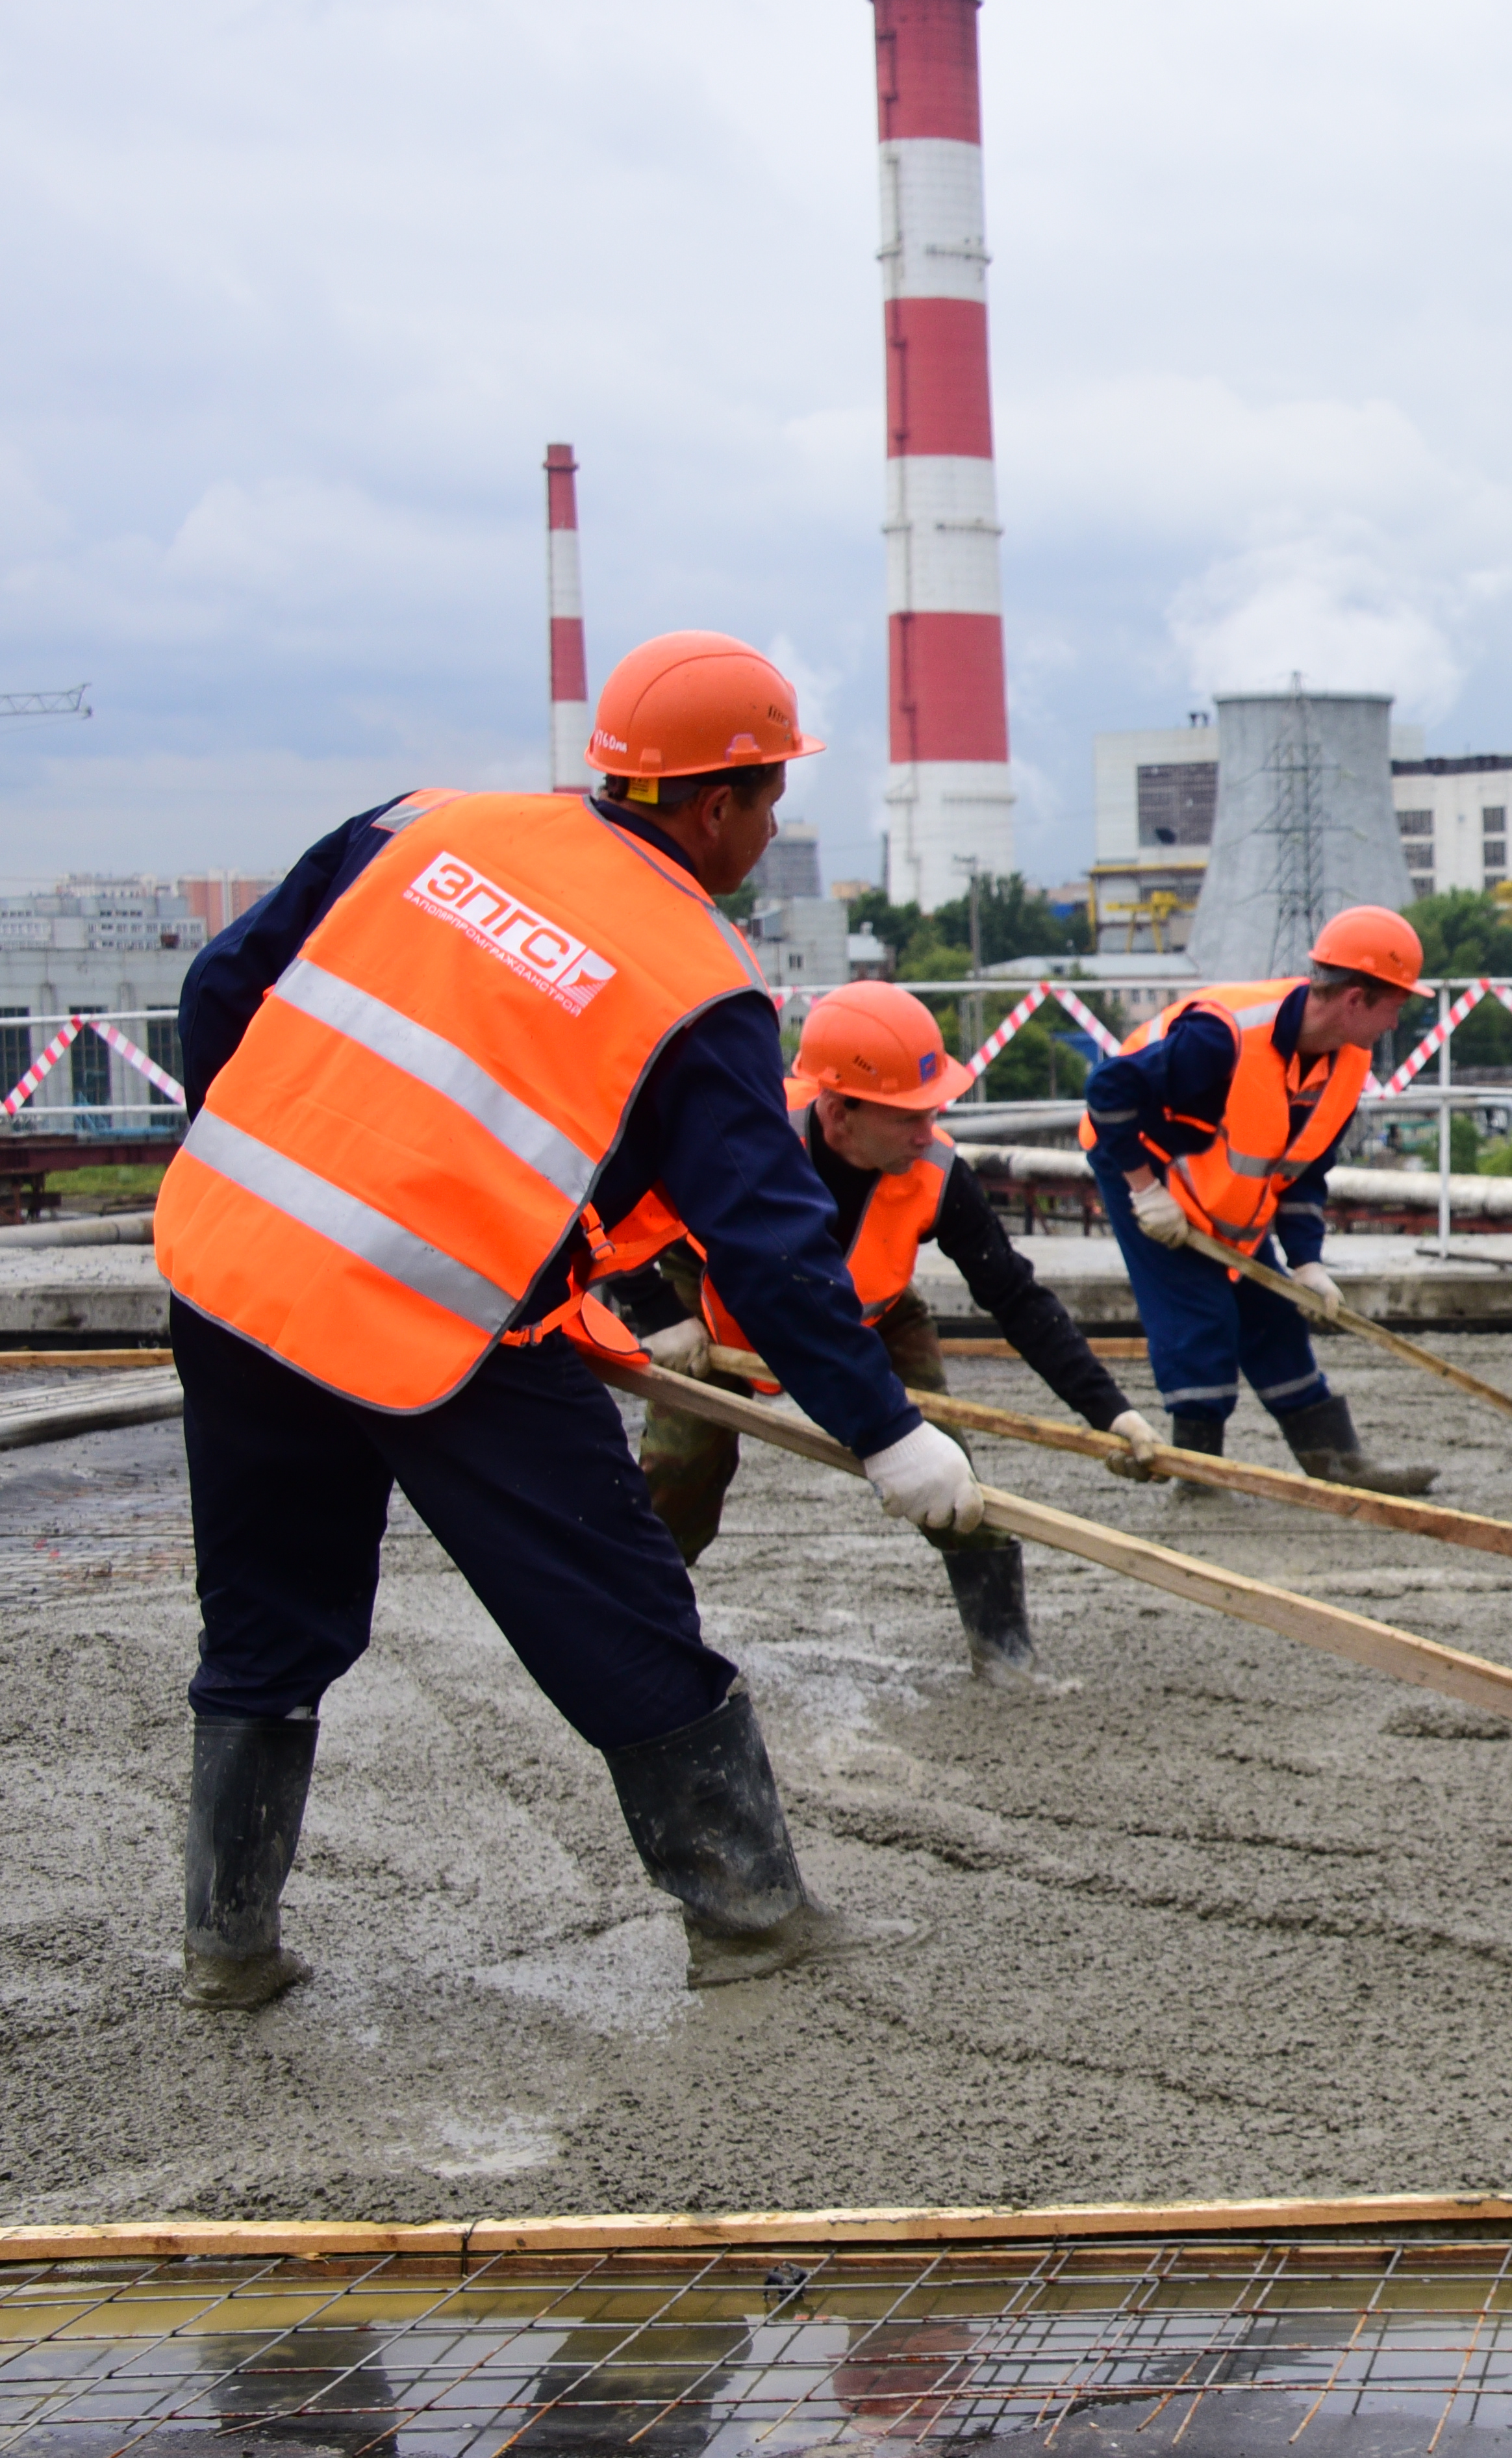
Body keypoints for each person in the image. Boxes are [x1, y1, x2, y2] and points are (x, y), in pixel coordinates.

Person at [155, 630, 987, 2005]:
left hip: (235, 1269)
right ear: (717, 803)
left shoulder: (416, 827)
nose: (770, 826)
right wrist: (890, 1437)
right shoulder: (693, 977)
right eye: (771, 801)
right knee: (616, 1598)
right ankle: (750, 1913)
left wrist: (260, 1174)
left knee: (263, 1618)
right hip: (443, 1322)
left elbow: (219, 992)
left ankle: (227, 1949)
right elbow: (771, 1248)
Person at [603, 979, 1160, 1679]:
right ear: (838, 1113)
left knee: (952, 1482)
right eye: (908, 1117)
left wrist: (1112, 1413)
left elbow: (1014, 1296)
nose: (930, 1134)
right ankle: (637, 1645)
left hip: (875, 1317)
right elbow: (608, 1196)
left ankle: (1005, 1656)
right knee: (681, 1473)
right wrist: (654, 1308)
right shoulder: (738, 1130)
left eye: (932, 1111)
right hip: (715, 1307)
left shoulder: (935, 1169)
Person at [1083, 905, 1437, 1496]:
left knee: (1272, 1316)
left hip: (1228, 1208)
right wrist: (1145, 1190)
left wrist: (1307, 1263)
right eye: (1394, 1005)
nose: (1396, 1021)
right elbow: (1108, 1089)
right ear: (1354, 999)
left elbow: (1304, 1171)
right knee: (1202, 1322)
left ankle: (1336, 1462)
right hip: (1148, 1182)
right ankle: (1198, 1479)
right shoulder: (1223, 1034)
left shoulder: (1347, 1063)